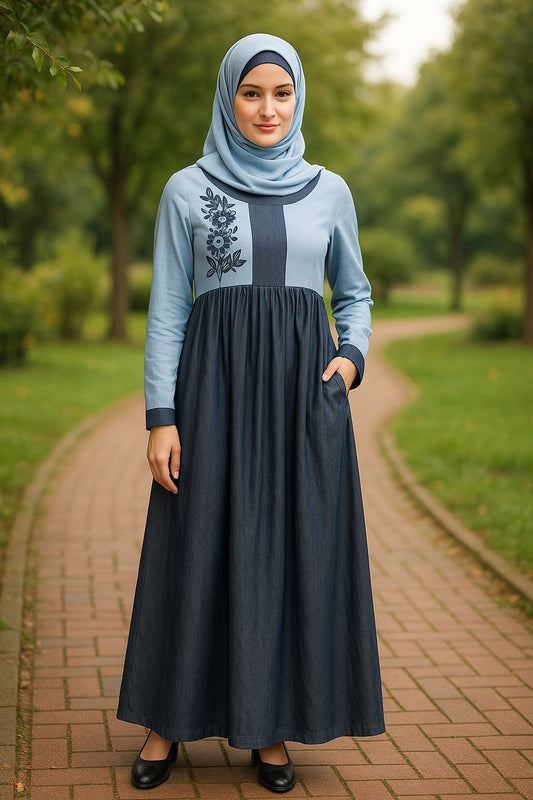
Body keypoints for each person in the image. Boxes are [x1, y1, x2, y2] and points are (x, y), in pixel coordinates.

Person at [117, 33, 385, 794]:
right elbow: (168, 310)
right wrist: (161, 418)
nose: (267, 108)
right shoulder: (185, 188)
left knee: (288, 556)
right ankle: (165, 723)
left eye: (281, 93)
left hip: (303, 403)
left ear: (298, 98)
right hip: (213, 400)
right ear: (228, 97)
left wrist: (350, 358)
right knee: (196, 547)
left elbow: (355, 291)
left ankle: (268, 730)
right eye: (251, 92)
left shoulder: (329, 189)